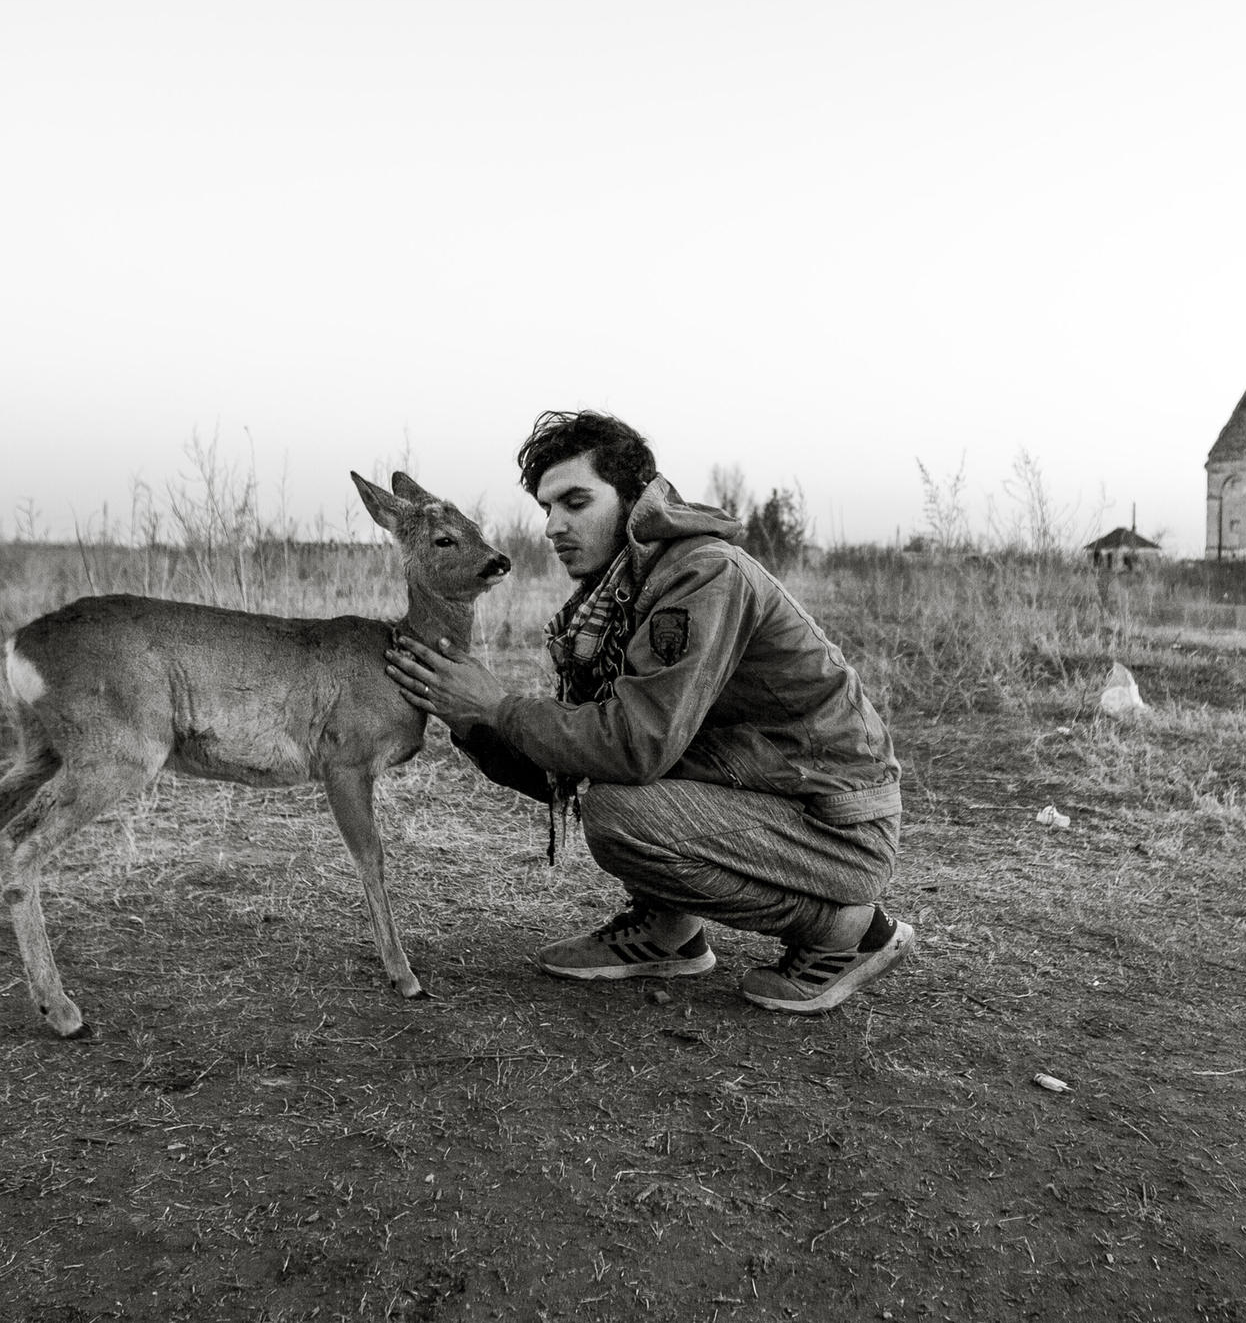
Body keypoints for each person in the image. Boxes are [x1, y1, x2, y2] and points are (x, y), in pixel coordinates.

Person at [383, 411, 913, 1015]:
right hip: (753, 788)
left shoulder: (702, 576)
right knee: (602, 778)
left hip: (833, 823)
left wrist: (500, 706)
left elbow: (635, 747)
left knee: (620, 812)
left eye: (576, 502)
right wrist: (472, 717)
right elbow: (572, 763)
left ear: (632, 497)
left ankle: (850, 933)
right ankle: (669, 932)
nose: (554, 526)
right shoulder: (615, 592)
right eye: (547, 508)